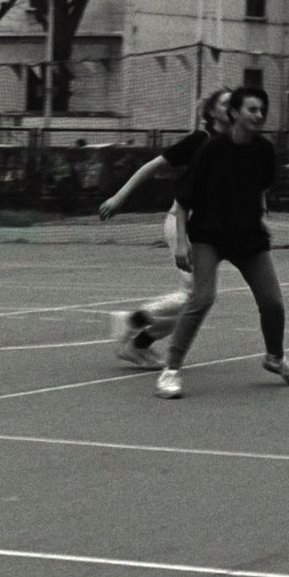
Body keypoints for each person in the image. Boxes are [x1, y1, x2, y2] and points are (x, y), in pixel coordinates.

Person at [156, 87, 289, 398]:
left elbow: (260, 186)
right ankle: (170, 371)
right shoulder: (211, 151)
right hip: (209, 235)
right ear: (235, 113)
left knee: (273, 303)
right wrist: (182, 242)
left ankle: (275, 358)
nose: (259, 115)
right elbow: (184, 200)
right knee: (202, 298)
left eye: (261, 110)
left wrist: (258, 211)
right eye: (252, 109)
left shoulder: (264, 150)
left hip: (248, 237)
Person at [98, 88, 229, 370]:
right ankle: (132, 322)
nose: (235, 107)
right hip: (181, 221)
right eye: (227, 103)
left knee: (199, 301)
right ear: (212, 112)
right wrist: (120, 197)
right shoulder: (200, 140)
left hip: (207, 229)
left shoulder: (235, 144)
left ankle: (138, 344)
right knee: (196, 295)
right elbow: (152, 166)